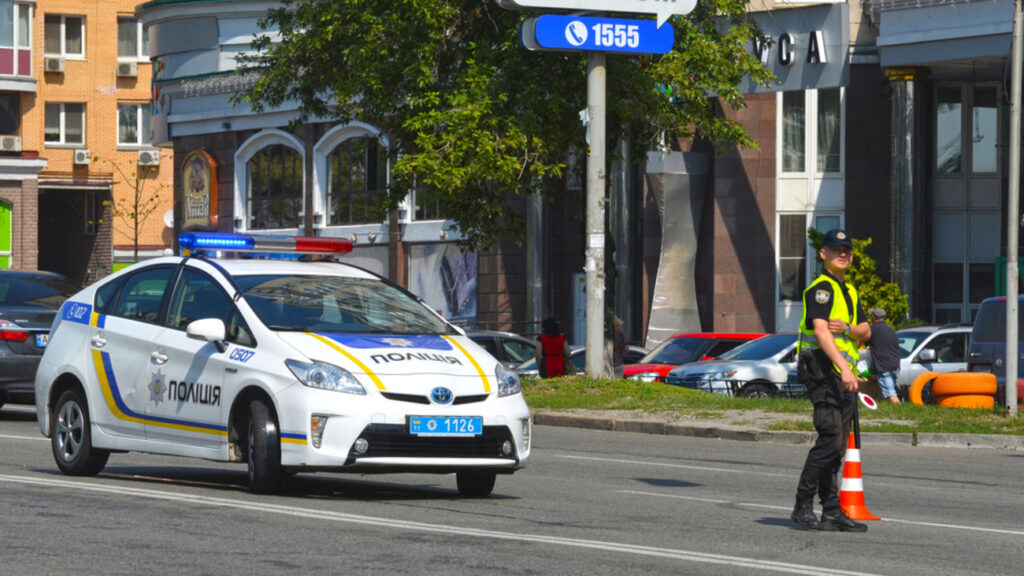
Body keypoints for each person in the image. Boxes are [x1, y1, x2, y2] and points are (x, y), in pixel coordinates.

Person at [791, 229, 871, 533]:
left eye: (847, 250)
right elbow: (821, 331)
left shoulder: (849, 291)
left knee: (837, 446)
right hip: (823, 373)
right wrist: (844, 368)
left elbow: (866, 331)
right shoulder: (820, 289)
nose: (843, 254)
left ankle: (832, 511)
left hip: (842, 378)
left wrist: (849, 328)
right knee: (830, 439)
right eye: (837, 250)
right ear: (823, 254)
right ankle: (802, 505)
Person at [867, 307, 901, 404]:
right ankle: (887, 409)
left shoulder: (872, 329)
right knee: (885, 394)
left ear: (874, 317)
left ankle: (900, 411)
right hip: (895, 367)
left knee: (891, 395)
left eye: (871, 316)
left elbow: (861, 342)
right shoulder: (891, 330)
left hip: (884, 368)